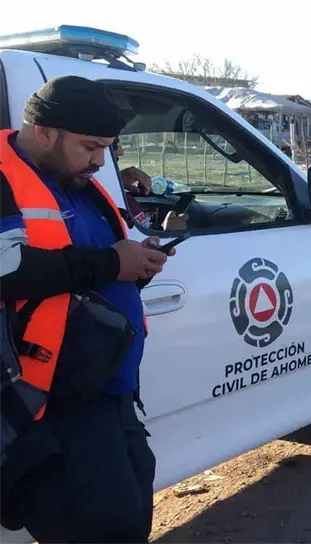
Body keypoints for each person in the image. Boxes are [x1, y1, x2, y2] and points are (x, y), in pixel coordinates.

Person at [0, 75, 175, 543]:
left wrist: (135, 265)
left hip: (109, 392)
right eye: (91, 147)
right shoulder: (3, 178)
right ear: (44, 132)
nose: (100, 162)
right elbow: (7, 270)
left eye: (106, 149)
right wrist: (112, 264)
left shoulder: (74, 180)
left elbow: (82, 268)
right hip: (52, 404)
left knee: (130, 521)